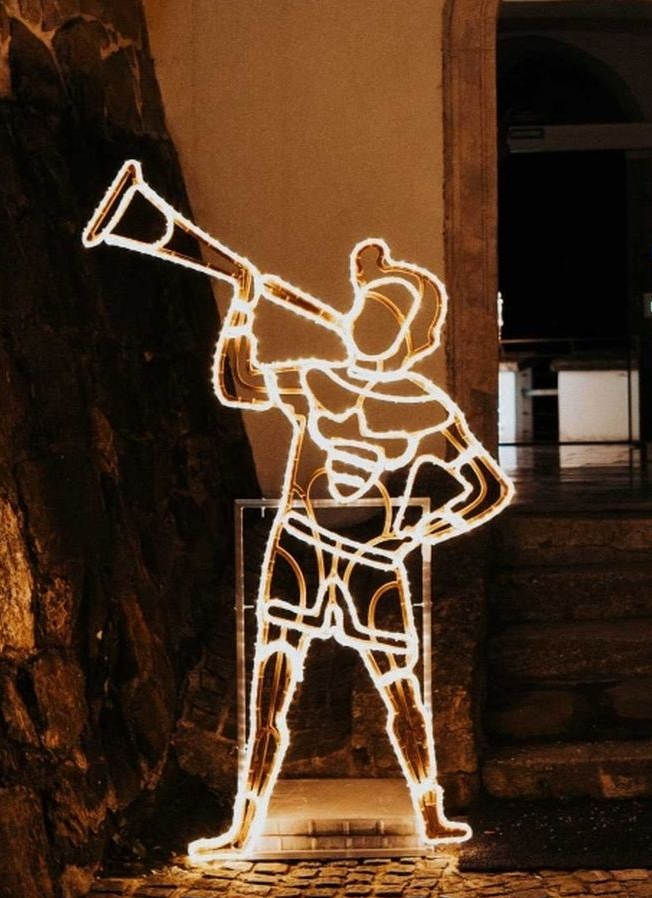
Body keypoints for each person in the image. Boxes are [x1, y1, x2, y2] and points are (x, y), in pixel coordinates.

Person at [82, 164, 512, 858]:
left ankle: (429, 811)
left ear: (403, 336)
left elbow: (487, 488)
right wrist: (243, 308)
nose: (362, 321)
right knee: (270, 687)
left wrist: (418, 531)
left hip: (372, 560)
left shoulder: (425, 406)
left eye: (379, 316)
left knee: (401, 691)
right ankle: (243, 823)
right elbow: (238, 383)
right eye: (365, 309)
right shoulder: (316, 378)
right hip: (301, 545)